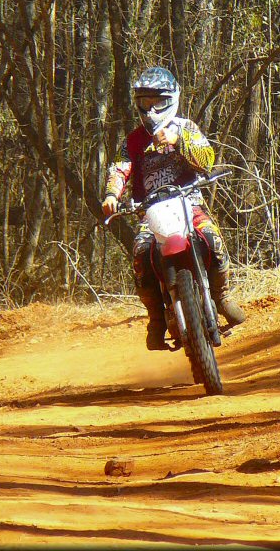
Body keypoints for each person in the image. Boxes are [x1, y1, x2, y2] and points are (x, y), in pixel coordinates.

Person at [102, 66, 246, 350]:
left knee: (212, 237)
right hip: (151, 212)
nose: (151, 110)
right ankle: (156, 319)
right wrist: (111, 194)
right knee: (141, 254)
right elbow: (119, 168)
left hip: (188, 203)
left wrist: (178, 141)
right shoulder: (132, 140)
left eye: (158, 102)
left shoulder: (187, 128)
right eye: (145, 103)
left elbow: (207, 158)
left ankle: (221, 296)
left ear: (172, 100)